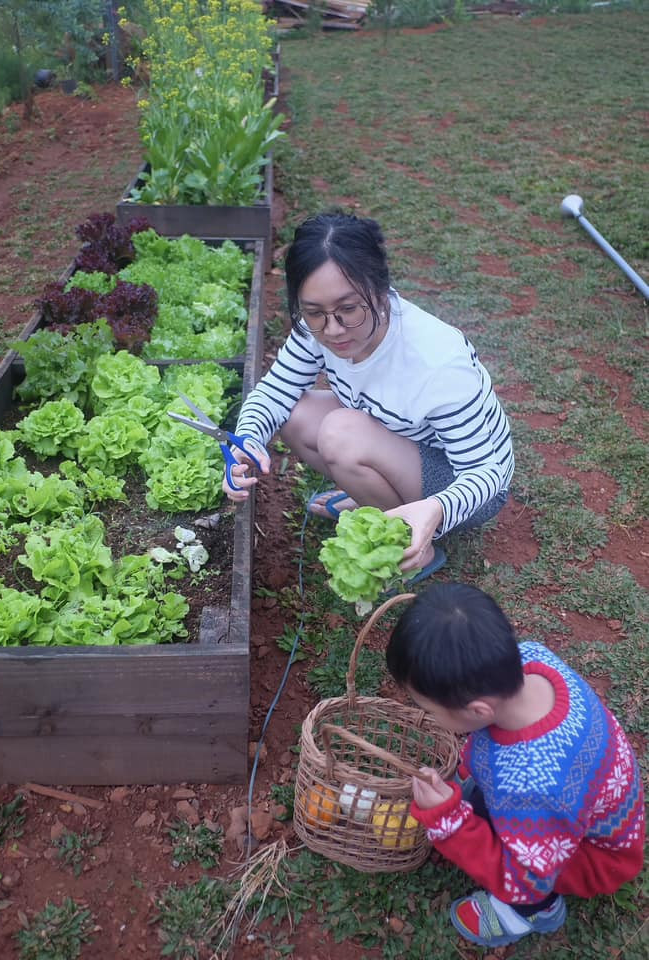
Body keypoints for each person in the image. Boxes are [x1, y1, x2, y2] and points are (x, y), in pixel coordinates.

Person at [226, 212, 514, 579]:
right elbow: (275, 392)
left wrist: (438, 507)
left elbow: (485, 474)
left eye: (348, 309)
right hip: (399, 441)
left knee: (340, 433)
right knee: (295, 414)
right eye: (313, 312)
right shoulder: (316, 329)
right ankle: (373, 498)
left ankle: (414, 545)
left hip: (466, 482)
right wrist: (247, 440)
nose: (333, 329)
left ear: (380, 290)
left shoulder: (437, 362)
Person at [385, 583, 645, 948]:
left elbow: (526, 878)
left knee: (524, 881)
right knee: (495, 805)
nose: (424, 714)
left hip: (592, 856)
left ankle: (535, 913)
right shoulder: (532, 661)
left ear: (478, 710)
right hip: (577, 811)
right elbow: (494, 741)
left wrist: (449, 822)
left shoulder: (533, 789)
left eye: (427, 708)